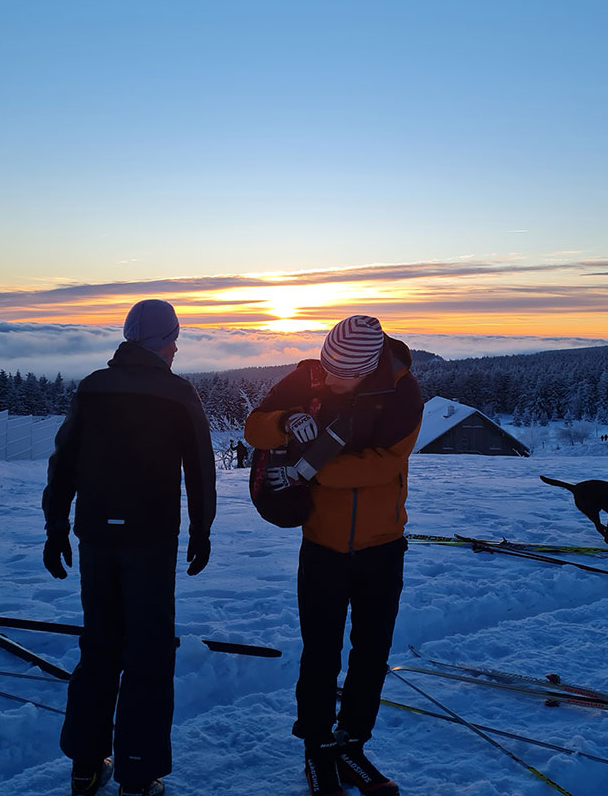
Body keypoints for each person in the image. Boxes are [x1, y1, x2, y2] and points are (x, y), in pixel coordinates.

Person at [42, 298, 216, 796]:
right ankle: (137, 777)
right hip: (150, 541)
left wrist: (56, 527)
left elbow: (63, 462)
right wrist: (202, 530)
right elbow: (200, 469)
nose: (177, 346)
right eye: (174, 338)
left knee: (99, 647)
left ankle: (85, 767)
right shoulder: (179, 394)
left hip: (96, 538)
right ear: (164, 341)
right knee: (148, 654)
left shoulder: (93, 388)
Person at [245, 315, 421, 796]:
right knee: (320, 652)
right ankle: (318, 745)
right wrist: (285, 422)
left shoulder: (403, 393)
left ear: (368, 368)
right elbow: (253, 427)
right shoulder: (309, 375)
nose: (330, 378)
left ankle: (353, 743)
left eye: (342, 373)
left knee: (371, 653)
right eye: (327, 366)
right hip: (321, 544)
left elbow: (386, 464)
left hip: (382, 546)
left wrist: (311, 472)